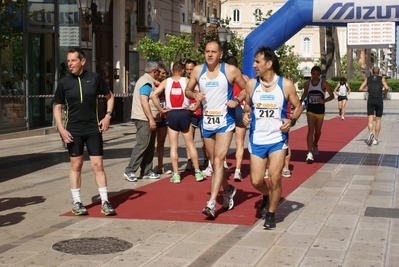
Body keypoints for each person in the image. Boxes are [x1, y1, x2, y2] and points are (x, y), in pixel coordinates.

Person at [242, 46, 302, 230]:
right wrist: (246, 115)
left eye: (257, 62)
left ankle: (271, 213)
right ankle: (267, 195)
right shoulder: (252, 85)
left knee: (275, 178)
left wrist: (291, 120)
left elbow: (298, 107)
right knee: (256, 181)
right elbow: (248, 107)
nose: (254, 65)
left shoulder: (286, 85)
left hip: (277, 139)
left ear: (269, 64)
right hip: (257, 139)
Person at [185, 40, 247, 219]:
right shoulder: (198, 70)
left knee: (219, 161)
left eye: (213, 52)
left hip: (225, 121)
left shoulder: (230, 70)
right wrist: (194, 94)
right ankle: (228, 189)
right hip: (207, 122)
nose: (209, 54)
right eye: (207, 51)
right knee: (214, 162)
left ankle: (211, 203)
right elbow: (187, 91)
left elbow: (246, 89)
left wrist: (236, 99)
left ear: (220, 54)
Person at [53, 48, 116, 216]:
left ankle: (105, 201)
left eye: (73, 61)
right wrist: (61, 129)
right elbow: (57, 106)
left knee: (98, 165)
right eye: (68, 61)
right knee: (76, 165)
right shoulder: (64, 83)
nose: (70, 64)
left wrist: (108, 116)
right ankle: (77, 202)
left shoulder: (94, 78)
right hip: (73, 130)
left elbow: (110, 97)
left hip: (93, 129)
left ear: (82, 61)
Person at [151, 61, 205, 183]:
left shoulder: (166, 82)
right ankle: (197, 172)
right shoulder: (186, 81)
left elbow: (153, 95)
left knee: (173, 146)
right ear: (182, 71)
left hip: (171, 114)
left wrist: (161, 109)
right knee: (190, 144)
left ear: (171, 71)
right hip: (185, 112)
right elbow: (199, 93)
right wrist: (195, 107)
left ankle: (176, 174)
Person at [123, 62, 162, 182]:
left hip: (148, 118)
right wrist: (151, 119)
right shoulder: (146, 82)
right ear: (154, 72)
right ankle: (129, 171)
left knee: (150, 146)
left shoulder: (147, 80)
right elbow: (144, 101)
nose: (160, 74)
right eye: (158, 72)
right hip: (144, 118)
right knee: (142, 144)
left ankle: (146, 171)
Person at [299, 66, 334, 162]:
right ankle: (309, 153)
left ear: (319, 75)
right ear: (311, 73)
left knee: (317, 131)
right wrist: (300, 100)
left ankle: (315, 143)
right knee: (310, 130)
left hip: (320, 110)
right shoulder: (307, 83)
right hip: (310, 109)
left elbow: (332, 96)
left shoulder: (323, 84)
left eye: (317, 74)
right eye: (313, 74)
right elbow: (305, 93)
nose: (315, 76)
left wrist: (324, 100)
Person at [224, 55, 249, 182]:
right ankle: (238, 170)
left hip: (227, 108)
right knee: (240, 142)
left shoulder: (224, 76)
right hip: (240, 108)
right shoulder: (245, 78)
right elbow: (248, 94)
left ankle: (223, 164)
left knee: (224, 141)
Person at [184, 59, 209, 171]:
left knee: (204, 138)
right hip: (189, 114)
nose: (189, 72)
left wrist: (197, 106)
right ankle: (190, 160)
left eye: (191, 69)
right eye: (187, 69)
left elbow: (202, 95)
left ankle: (206, 159)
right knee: (189, 138)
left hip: (202, 113)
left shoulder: (201, 80)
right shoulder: (184, 81)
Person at [359, 66, 389, 146]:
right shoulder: (382, 79)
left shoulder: (368, 79)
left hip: (371, 99)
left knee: (370, 119)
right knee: (378, 120)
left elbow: (360, 88)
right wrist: (384, 95)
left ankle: (370, 133)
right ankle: (376, 138)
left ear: (372, 71)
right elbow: (386, 88)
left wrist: (367, 90)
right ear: (378, 72)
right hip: (379, 99)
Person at [153, 62, 172, 175]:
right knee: (150, 143)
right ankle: (148, 166)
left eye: (166, 73)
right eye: (163, 73)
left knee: (161, 141)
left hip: (165, 116)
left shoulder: (167, 84)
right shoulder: (152, 84)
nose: (164, 75)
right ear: (157, 73)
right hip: (154, 116)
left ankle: (160, 165)